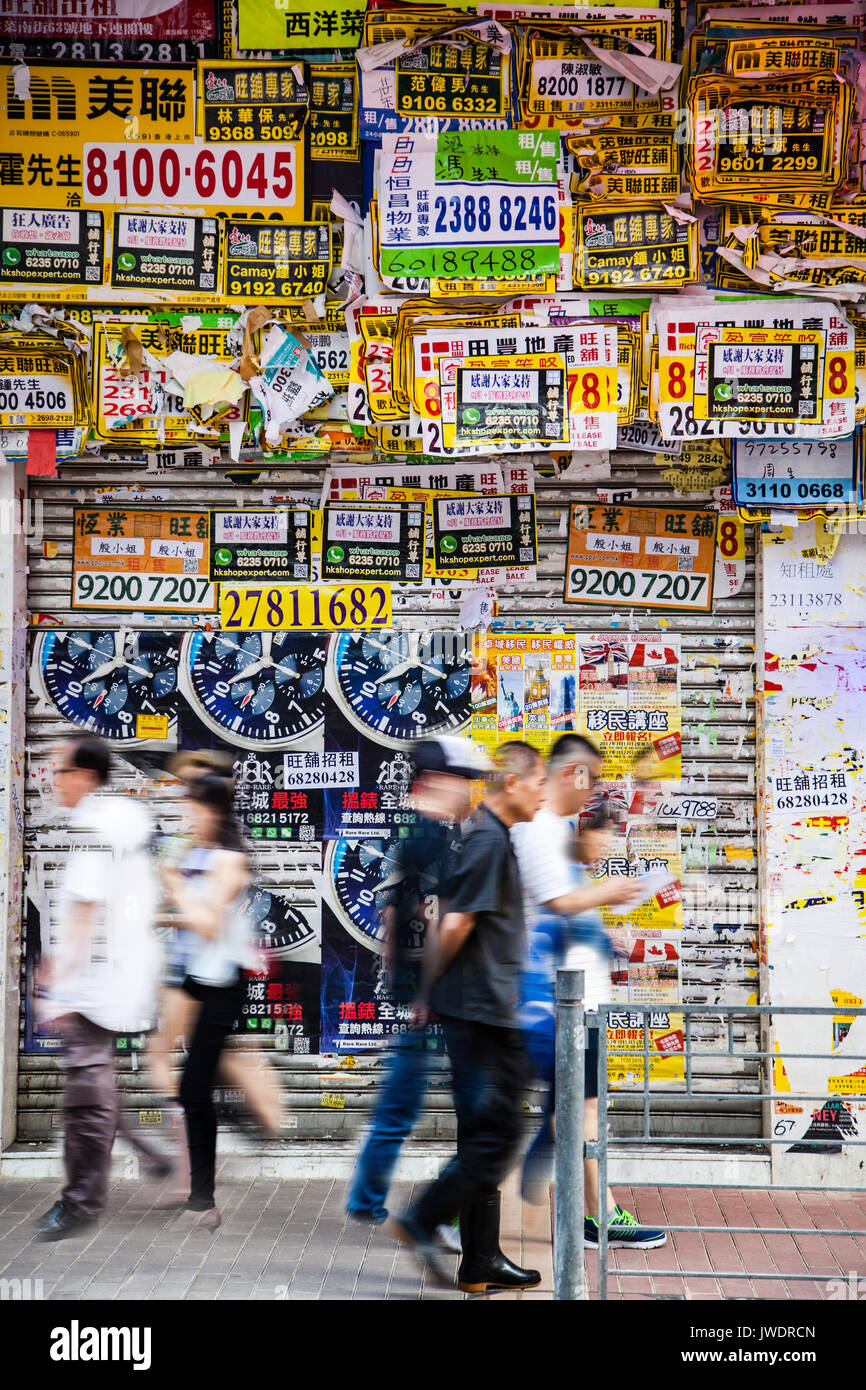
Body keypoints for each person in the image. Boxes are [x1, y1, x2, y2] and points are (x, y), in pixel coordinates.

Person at [388, 741, 547, 1293]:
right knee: (495, 1138)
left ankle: (480, 1260)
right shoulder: (485, 840)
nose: (542, 792)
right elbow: (454, 926)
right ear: (511, 783)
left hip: (487, 1007)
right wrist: (429, 991)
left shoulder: (489, 837)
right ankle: (424, 1218)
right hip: (480, 1013)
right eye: (537, 782)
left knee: (487, 1136)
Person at [512, 734, 667, 1250]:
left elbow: (567, 907)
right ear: (572, 775)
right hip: (559, 1006)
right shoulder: (538, 830)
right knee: (578, 1114)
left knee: (569, 1116)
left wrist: (608, 933)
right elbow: (557, 902)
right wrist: (614, 890)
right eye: (593, 778)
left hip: (576, 1003)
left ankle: (465, 1212)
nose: (595, 789)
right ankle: (598, 1215)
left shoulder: (559, 833)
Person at [346, 736, 490, 1250]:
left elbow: (391, 916)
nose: (466, 792)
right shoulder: (430, 836)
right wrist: (423, 991)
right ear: (436, 782)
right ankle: (418, 1213)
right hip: (432, 997)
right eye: (460, 781)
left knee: (401, 1107)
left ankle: (369, 1201)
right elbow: (433, 922)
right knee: (437, 1109)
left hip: (419, 991)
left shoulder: (410, 832)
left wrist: (398, 977)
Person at [35, 736, 160, 1241]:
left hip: (97, 977)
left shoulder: (93, 823)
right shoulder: (122, 817)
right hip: (123, 972)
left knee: (86, 1093)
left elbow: (85, 905)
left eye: (58, 770)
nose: (51, 779)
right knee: (94, 1079)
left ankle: (81, 1202)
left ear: (84, 776)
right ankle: (151, 1154)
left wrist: (58, 976)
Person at [158, 773, 254, 1230]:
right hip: (193, 981)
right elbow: (188, 918)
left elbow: (209, 924)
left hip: (222, 987)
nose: (186, 817)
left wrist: (173, 884)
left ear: (214, 812)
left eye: (193, 808)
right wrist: (158, 914)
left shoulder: (231, 861)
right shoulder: (196, 855)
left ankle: (203, 1204)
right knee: (191, 1084)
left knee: (193, 1090)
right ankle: (201, 1195)